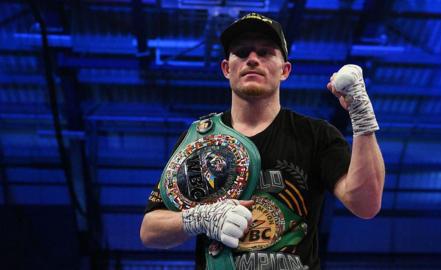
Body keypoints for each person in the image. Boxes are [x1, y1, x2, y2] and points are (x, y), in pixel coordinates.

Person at [140, 12, 385, 270]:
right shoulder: (200, 140)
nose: (253, 60)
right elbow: (150, 229)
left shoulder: (315, 135)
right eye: (242, 53)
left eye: (266, 53)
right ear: (226, 68)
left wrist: (361, 114)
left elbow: (366, 204)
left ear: (285, 70)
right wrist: (198, 219)